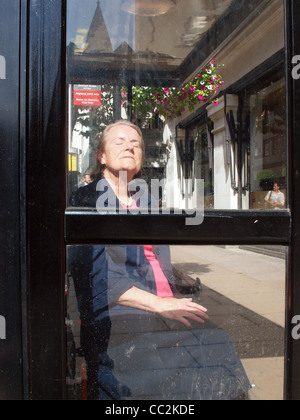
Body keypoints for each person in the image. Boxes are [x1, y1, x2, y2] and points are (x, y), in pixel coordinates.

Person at [69, 120, 251, 400]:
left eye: (136, 143)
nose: (129, 145)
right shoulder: (87, 199)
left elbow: (151, 261)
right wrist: (161, 304)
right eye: (119, 141)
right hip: (121, 324)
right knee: (215, 345)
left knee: (214, 344)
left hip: (159, 313)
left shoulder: (146, 199)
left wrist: (175, 291)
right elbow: (97, 278)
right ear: (101, 156)